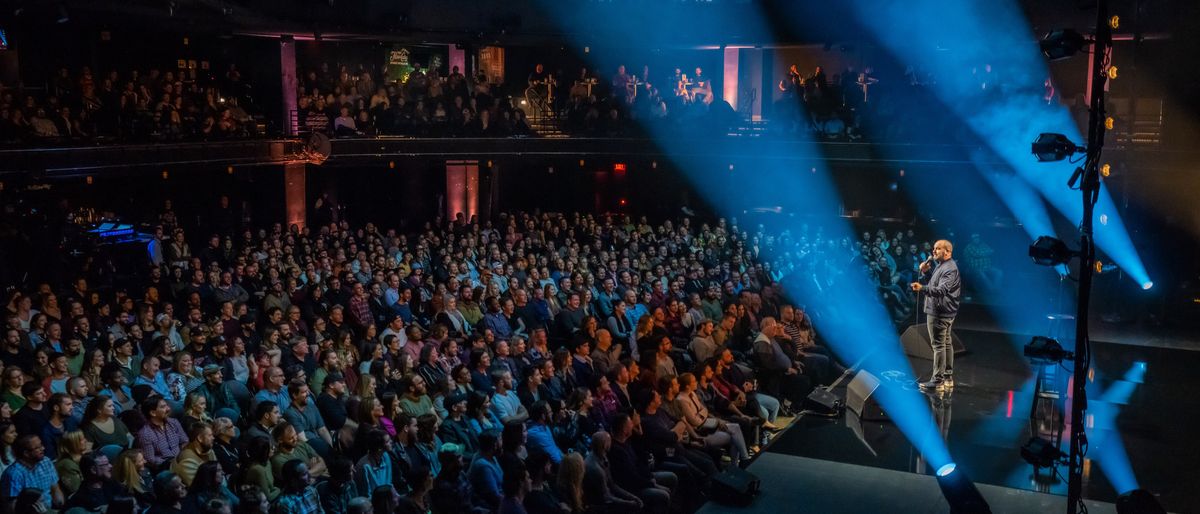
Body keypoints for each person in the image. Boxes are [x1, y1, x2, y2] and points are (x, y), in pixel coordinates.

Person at [910, 239, 961, 391]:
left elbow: (941, 291)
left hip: (940, 312)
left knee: (938, 345)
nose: (934, 251)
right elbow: (935, 285)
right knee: (945, 343)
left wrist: (922, 288)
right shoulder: (942, 266)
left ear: (948, 252)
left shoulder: (950, 268)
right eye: (934, 248)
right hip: (943, 310)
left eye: (938, 249)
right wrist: (926, 273)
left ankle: (937, 381)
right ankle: (947, 377)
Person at [0, 435, 64, 509]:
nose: (43, 448)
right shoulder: (13, 474)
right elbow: (11, 507)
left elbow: (55, 488)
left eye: (41, 445)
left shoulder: (46, 461)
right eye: (37, 448)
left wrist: (61, 506)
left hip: (50, 509)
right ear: (26, 453)